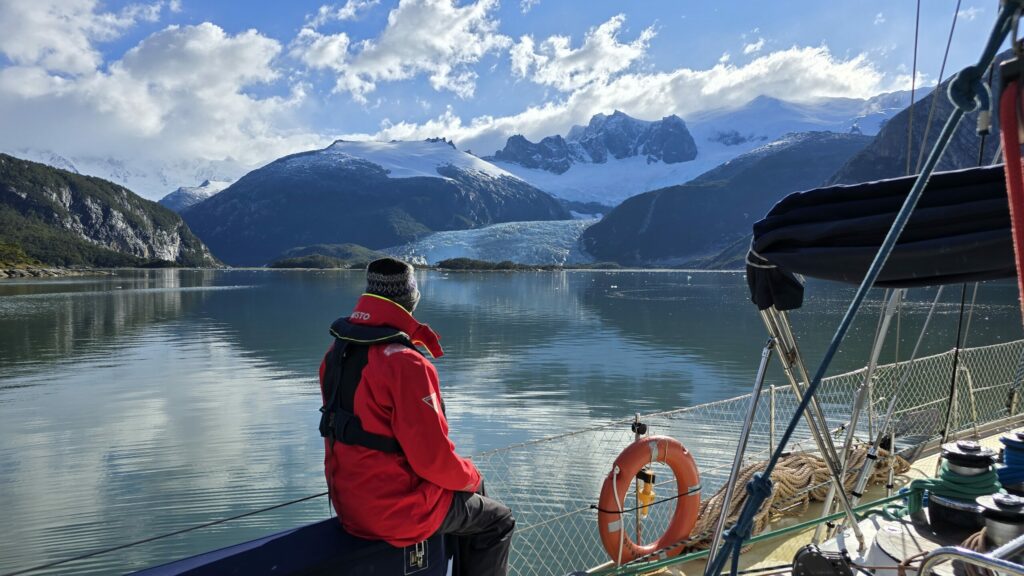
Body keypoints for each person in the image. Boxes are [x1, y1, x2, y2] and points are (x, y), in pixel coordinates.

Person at [318, 257, 515, 576]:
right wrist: (473, 477)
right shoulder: (405, 364)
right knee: (497, 519)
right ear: (411, 299)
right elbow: (433, 460)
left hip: (349, 504)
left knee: (469, 498)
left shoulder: (337, 352)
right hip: (396, 509)